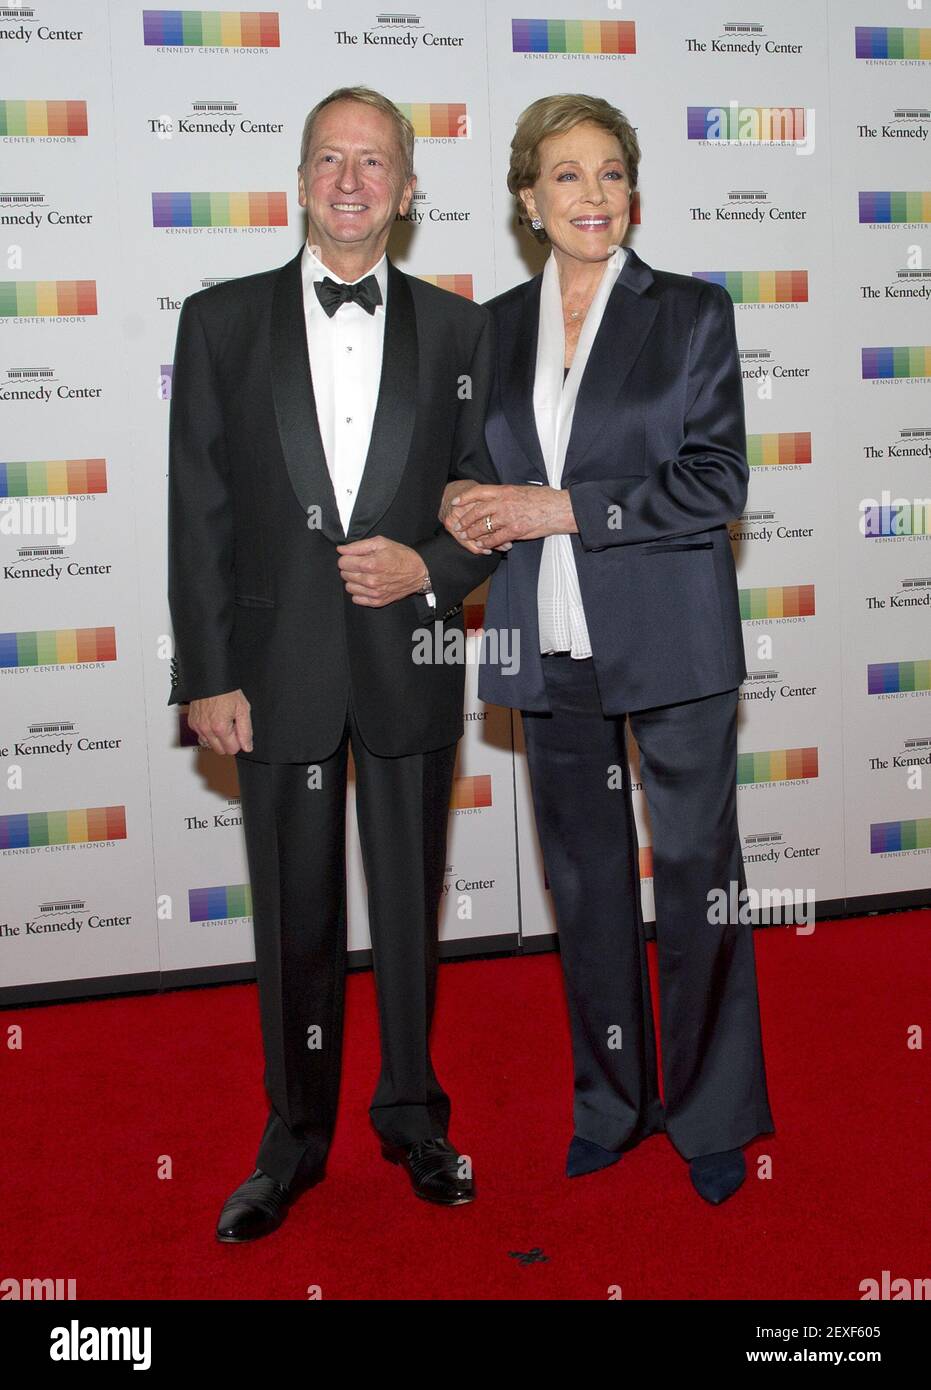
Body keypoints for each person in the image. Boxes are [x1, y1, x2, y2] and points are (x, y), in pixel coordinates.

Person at [167, 86, 501, 1242]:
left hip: (406, 655)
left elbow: (485, 505)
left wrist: (430, 569)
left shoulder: (463, 332)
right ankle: (293, 1139)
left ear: (408, 192)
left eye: (374, 162)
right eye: (329, 159)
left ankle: (414, 1117)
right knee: (293, 921)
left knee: (409, 911)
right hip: (274, 670)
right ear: (299, 180)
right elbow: (198, 511)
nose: (351, 179)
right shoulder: (217, 323)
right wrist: (206, 672)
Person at [442, 93, 775, 1205]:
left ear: (634, 190)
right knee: (584, 886)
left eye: (609, 172)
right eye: (564, 176)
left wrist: (565, 508)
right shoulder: (488, 329)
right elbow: (468, 469)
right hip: (551, 646)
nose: (591, 195)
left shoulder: (688, 312)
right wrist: (463, 500)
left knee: (695, 878)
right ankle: (611, 1100)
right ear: (527, 202)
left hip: (673, 642)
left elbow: (716, 479)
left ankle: (712, 1112)